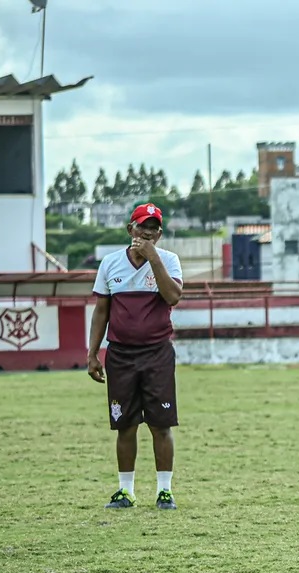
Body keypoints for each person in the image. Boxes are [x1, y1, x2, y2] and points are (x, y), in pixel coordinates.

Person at [87, 202, 184, 511]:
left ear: (160, 233)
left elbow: (173, 297)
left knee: (161, 424)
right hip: (121, 356)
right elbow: (101, 311)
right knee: (125, 424)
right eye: (142, 226)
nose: (148, 232)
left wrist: (154, 258)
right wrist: (92, 353)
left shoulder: (169, 260)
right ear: (130, 229)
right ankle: (125, 490)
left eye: (154, 227)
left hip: (157, 354)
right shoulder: (110, 264)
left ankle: (164, 491)